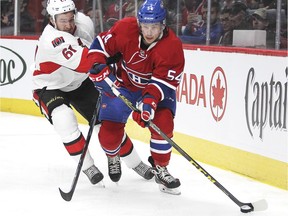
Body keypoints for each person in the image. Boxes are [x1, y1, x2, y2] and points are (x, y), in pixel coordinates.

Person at [88, 0, 185, 195]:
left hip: (155, 93)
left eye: (154, 27)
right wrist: (97, 64)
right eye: (145, 26)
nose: (149, 32)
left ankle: (161, 169)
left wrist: (147, 105)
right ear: (139, 23)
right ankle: (113, 155)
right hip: (122, 86)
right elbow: (100, 45)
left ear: (163, 25)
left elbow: (161, 84)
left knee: (163, 124)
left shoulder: (172, 47)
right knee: (108, 138)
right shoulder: (126, 28)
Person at [31, 0, 104, 185]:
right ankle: (88, 166)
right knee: (63, 118)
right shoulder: (52, 39)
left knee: (106, 122)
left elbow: (96, 46)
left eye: (71, 19)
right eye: (63, 20)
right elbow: (85, 61)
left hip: (78, 82)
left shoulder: (84, 23)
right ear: (52, 19)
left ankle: (135, 163)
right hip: (50, 85)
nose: (69, 25)